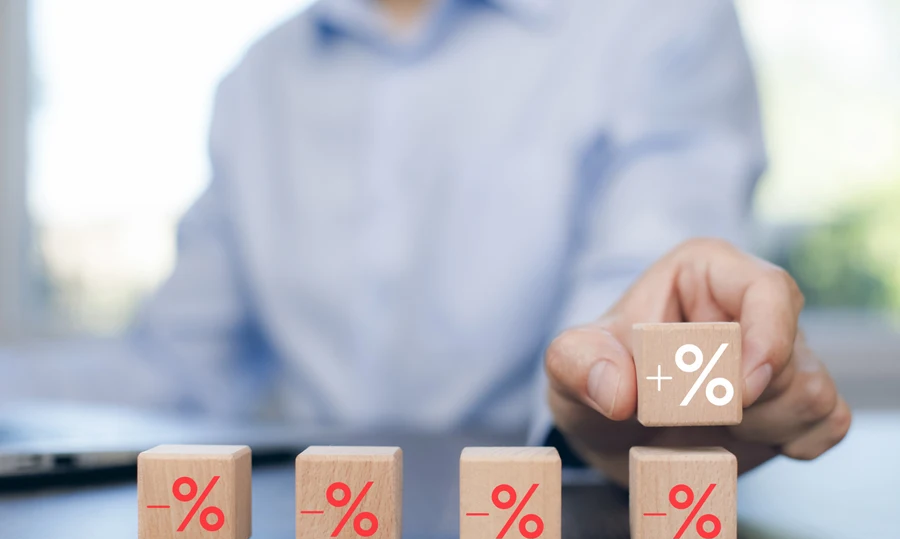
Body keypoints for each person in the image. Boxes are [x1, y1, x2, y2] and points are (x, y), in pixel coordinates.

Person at [0, 0, 849, 483]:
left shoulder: (660, 21)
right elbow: (179, 364)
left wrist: (625, 386)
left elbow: (648, 284)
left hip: (561, 517)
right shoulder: (257, 81)